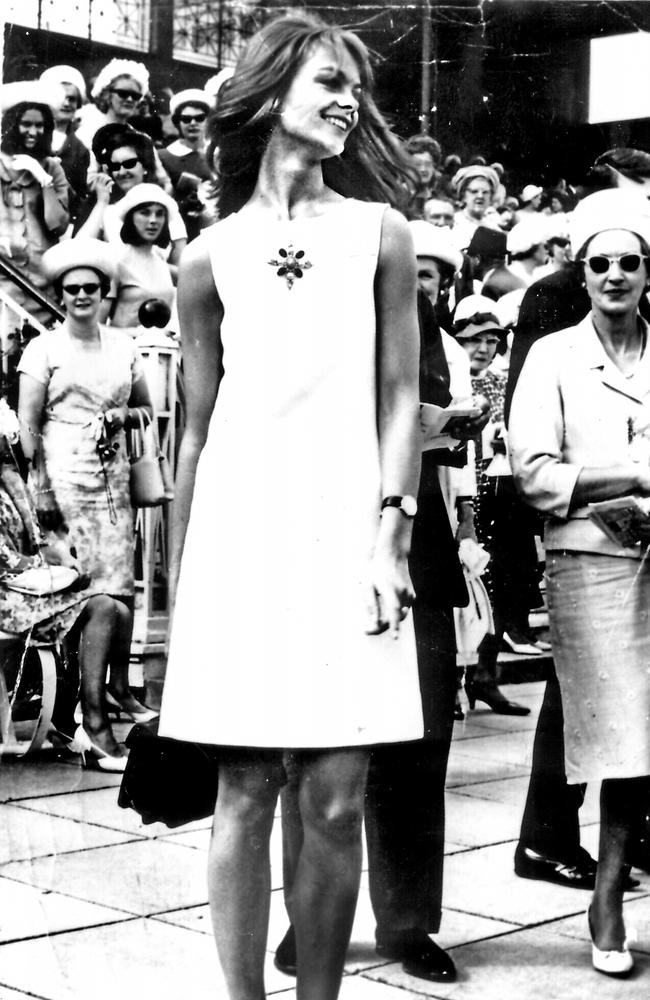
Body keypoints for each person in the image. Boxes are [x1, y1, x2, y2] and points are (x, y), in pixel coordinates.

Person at [157, 14, 423, 1000]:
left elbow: (399, 395)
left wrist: (391, 534)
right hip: (240, 537)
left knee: (334, 799)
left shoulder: (380, 236)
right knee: (244, 788)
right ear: (269, 94)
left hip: (350, 531)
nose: (346, 102)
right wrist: (179, 585)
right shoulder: (206, 257)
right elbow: (195, 425)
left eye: (352, 87)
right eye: (326, 82)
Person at [509, 188, 650, 978]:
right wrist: (630, 473)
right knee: (619, 734)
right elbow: (534, 474)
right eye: (601, 263)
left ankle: (615, 881)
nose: (616, 275)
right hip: (592, 563)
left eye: (630, 262)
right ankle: (606, 900)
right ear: (582, 270)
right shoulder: (554, 356)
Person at [17, 238, 155, 766]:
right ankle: (83, 718)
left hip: (112, 486)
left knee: (117, 598)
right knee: (84, 600)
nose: (80, 296)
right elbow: (28, 426)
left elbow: (146, 410)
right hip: (61, 482)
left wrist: (123, 418)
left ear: (104, 293)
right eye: (71, 289)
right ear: (61, 293)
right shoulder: (44, 349)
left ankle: (103, 702)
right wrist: (43, 495)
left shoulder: (123, 347)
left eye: (90, 289)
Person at [0, 398, 143, 771]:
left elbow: (38, 538)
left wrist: (63, 558)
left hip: (23, 587)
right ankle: (95, 724)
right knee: (101, 606)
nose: (11, 449)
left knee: (119, 608)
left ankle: (68, 714)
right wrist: (42, 568)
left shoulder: (10, 480)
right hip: (6, 595)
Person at [0, 82, 69, 328]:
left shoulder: (52, 168)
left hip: (41, 285)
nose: (33, 131)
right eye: (26, 124)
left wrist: (42, 179)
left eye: (39, 125)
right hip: (5, 278)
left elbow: (57, 225)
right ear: (12, 125)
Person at [75, 125, 186, 276]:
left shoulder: (162, 204)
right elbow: (78, 248)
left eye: (129, 164)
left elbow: (180, 262)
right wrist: (102, 201)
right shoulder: (109, 209)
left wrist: (148, 266)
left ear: (145, 166)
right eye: (115, 166)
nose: (122, 172)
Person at [103, 183, 176, 335]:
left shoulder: (161, 259)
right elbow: (97, 328)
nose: (153, 220)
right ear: (131, 217)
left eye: (160, 213)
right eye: (145, 213)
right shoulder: (115, 260)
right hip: (125, 351)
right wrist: (141, 334)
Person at [158, 88, 214, 241]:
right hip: (182, 232)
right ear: (177, 122)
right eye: (186, 119)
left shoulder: (217, 154)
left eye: (200, 118)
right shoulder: (164, 156)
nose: (193, 123)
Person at [38, 65, 90, 226]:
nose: (66, 103)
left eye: (72, 99)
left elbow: (80, 200)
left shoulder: (80, 149)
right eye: (60, 97)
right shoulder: (30, 135)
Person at [74, 58, 149, 153]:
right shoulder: (89, 131)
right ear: (107, 94)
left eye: (135, 96)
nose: (130, 99)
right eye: (123, 93)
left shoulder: (137, 137)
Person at [450, 164, 500, 251]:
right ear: (463, 195)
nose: (480, 196)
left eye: (485, 192)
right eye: (474, 191)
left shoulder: (494, 228)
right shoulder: (453, 222)